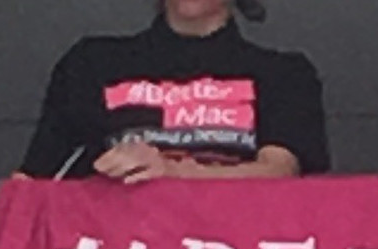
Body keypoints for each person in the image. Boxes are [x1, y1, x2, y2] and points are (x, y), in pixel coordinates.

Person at [18, 0, 329, 186]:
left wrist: (170, 171)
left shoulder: (283, 74)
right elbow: (32, 182)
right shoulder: (93, 63)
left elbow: (278, 173)